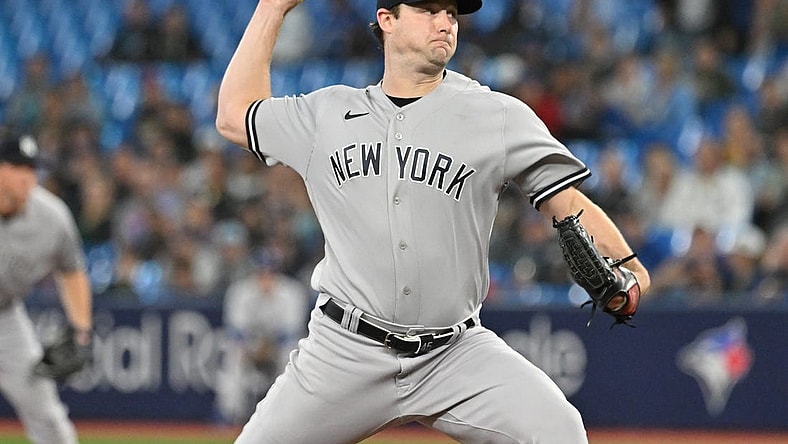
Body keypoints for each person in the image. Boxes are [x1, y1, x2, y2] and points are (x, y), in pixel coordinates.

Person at [215, 1, 651, 442]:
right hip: (344, 352)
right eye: (428, 10)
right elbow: (234, 115)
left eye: (452, 14)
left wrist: (631, 268)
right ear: (387, 20)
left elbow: (567, 201)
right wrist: (272, 8)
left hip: (455, 353)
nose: (445, 23)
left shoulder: (496, 115)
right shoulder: (326, 115)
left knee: (559, 431)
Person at [0, 131, 93, 444]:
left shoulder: (51, 217)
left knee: (50, 420)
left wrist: (81, 329)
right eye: (19, 168)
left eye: (32, 169)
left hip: (6, 321)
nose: (30, 177)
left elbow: (72, 271)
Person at [215, 247, 309, 425]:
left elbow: (291, 332)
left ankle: (289, 416)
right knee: (232, 353)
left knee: (291, 353)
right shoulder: (240, 291)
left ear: (277, 272)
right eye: (262, 271)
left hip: (280, 347)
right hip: (250, 347)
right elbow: (236, 332)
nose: (266, 277)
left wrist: (267, 348)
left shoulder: (292, 292)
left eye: (270, 271)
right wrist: (253, 349)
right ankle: (229, 414)